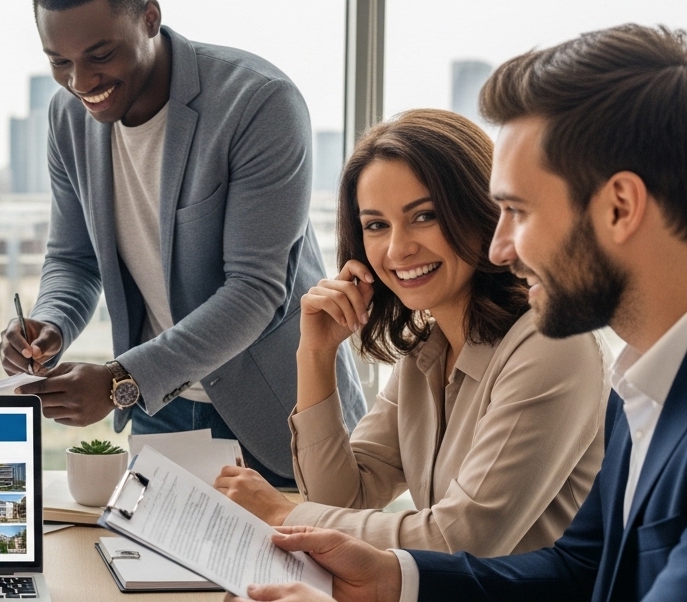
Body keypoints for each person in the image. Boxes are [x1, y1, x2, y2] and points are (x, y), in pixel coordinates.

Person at [225, 24, 687, 602]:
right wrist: (393, 579)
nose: (503, 247)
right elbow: (576, 577)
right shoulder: (644, 384)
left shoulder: (571, 354)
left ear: (621, 206)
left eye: (521, 212)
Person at [1, 0, 366, 485]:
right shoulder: (68, 116)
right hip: (160, 404)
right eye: (60, 62)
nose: (81, 83)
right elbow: (74, 258)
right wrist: (49, 321)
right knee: (149, 561)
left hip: (278, 410)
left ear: (149, 17)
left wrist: (118, 381)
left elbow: (255, 291)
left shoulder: (258, 102)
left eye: (100, 55)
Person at [212, 109, 608, 556]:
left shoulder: (551, 345)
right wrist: (315, 354)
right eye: (377, 225)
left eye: (425, 216)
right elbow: (343, 500)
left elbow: (460, 540)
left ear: (483, 212)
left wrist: (284, 515)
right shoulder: (427, 349)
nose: (398, 249)